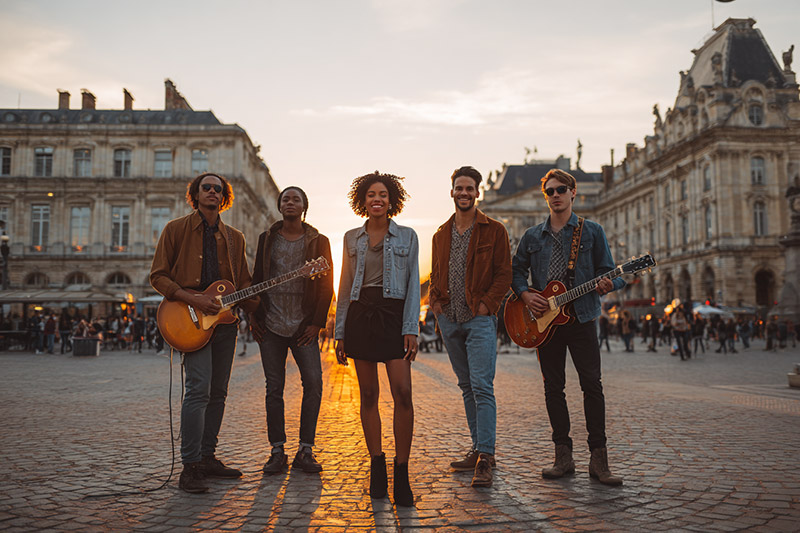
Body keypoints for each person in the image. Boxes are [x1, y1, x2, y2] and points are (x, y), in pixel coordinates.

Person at [511, 168, 625, 486]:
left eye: (561, 189)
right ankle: (563, 457)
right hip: (546, 323)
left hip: (583, 317)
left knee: (592, 386)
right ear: (545, 196)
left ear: (573, 193)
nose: (556, 195)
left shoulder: (592, 231)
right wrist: (525, 294)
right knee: (553, 389)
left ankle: (599, 460)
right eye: (550, 191)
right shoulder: (533, 236)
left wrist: (608, 283)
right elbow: (515, 271)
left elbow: (612, 272)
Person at [150, 172, 258, 494]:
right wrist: (192, 297)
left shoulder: (235, 237)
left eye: (218, 189)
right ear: (195, 194)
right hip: (189, 319)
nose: (212, 191)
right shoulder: (176, 230)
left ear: (224, 197)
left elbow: (244, 283)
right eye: (206, 187)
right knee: (198, 390)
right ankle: (190, 466)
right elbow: (158, 276)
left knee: (219, 392)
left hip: (224, 324)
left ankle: (208, 457)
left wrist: (263, 295)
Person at [335, 171, 420, 507]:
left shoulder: (408, 236)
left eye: (383, 194)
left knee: (403, 392)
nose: (377, 200)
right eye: (371, 194)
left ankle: (402, 471)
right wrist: (340, 332)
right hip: (360, 316)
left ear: (391, 199)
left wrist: (410, 326)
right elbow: (343, 286)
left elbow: (414, 284)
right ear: (363, 200)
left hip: (393, 316)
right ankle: (377, 467)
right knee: (368, 393)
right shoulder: (351, 237)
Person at [429, 165, 511, 488]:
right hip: (449, 319)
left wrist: (485, 306)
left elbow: (504, 274)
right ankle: (477, 449)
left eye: (469, 189)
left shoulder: (494, 230)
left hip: (479, 320)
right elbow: (436, 273)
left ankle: (487, 457)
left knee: (481, 386)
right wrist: (437, 305)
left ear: (477, 192)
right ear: (451, 192)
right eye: (458, 188)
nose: (464, 193)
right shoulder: (440, 234)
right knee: (466, 386)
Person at [250, 186, 334, 475]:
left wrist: (316, 323)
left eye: (296, 199)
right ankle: (277, 451)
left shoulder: (318, 241)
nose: (290, 202)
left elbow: (327, 285)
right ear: (279, 205)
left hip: (303, 327)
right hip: (270, 324)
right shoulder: (266, 239)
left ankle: (305, 451)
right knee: (274, 388)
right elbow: (257, 279)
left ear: (304, 207)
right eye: (286, 198)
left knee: (313, 384)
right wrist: (253, 317)